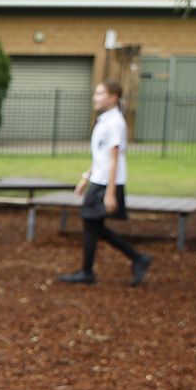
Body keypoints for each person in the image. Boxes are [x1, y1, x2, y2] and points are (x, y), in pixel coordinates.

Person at [58, 80, 153, 287]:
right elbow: (100, 156)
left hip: (106, 184)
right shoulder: (104, 120)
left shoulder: (115, 123)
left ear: (113, 98)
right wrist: (86, 177)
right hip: (98, 180)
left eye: (100, 93)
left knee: (92, 224)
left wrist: (110, 193)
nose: (95, 97)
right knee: (93, 226)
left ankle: (93, 271)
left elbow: (114, 159)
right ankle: (134, 259)